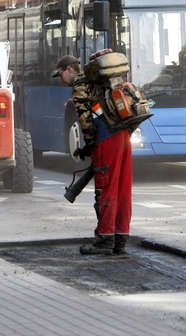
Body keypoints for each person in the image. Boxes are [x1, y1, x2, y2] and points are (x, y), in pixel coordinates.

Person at [51, 55, 133, 255]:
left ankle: (104, 241)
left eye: (61, 74)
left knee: (106, 189)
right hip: (123, 135)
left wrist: (90, 145)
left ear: (70, 69)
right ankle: (120, 240)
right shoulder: (100, 81)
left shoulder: (80, 85)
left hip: (106, 139)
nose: (60, 80)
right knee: (122, 190)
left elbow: (86, 121)